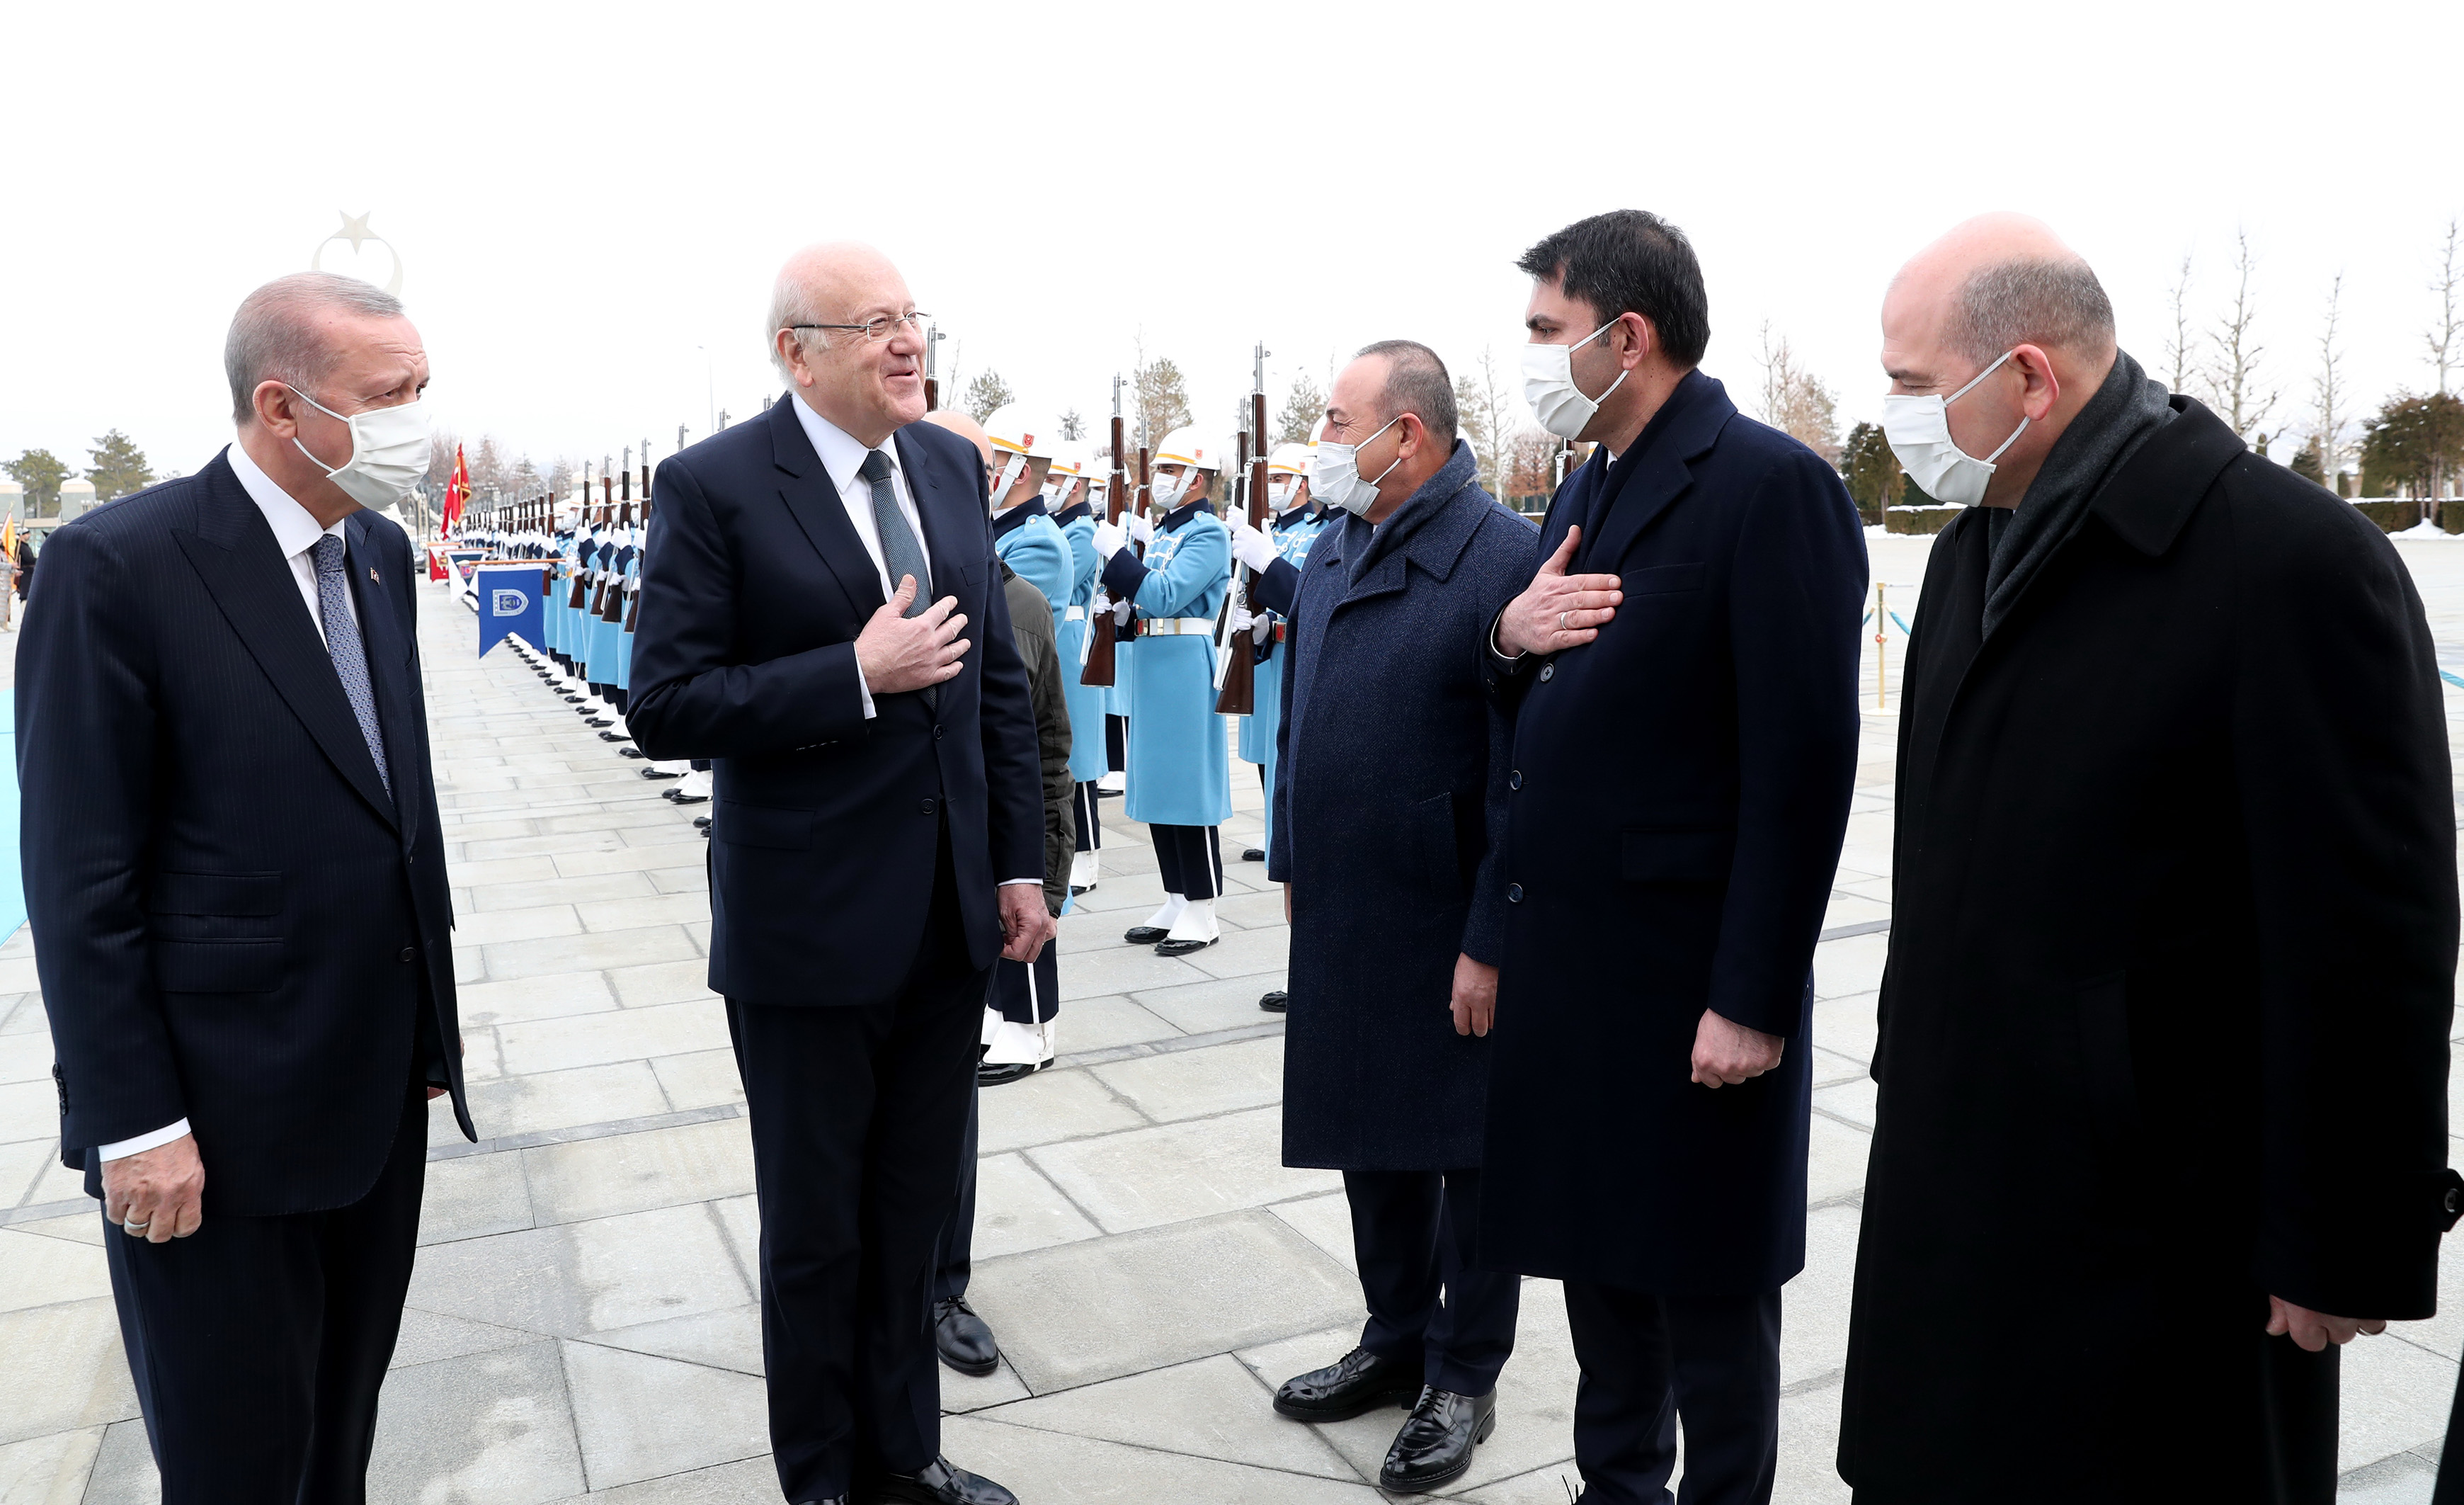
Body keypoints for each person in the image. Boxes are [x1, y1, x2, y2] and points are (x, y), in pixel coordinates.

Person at [1837, 214, 2463, 1505]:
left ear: (2027, 377)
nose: (1889, 412)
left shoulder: (2285, 561)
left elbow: (2373, 927)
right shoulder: (1972, 553)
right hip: (1960, 1178)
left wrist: (2341, 1236)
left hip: (2166, 1223)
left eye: (1909, 382)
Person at [21, 271, 472, 1502]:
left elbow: (396, 810)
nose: (419, 422)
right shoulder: (117, 567)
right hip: (211, 1131)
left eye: (422, 387)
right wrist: (135, 1124)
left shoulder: (373, 551)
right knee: (236, 1466)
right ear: (282, 405)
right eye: (391, 396)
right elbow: (79, 880)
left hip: (373, 1098)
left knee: (339, 1436)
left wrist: (426, 1027)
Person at [627, 242, 1051, 1505]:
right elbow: (664, 700)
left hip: (945, 917)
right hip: (808, 931)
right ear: (794, 351)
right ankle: (820, 1477)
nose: (905, 341)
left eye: (913, 318)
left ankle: (906, 1456)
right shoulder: (712, 488)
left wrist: (1020, 867)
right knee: (819, 1234)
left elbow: (990, 690)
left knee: (913, 1219)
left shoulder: (947, 467)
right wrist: (851, 674)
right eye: (872, 324)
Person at [1476, 210, 1866, 1505]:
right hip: (1578, 976)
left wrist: (1751, 998)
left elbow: (1802, 767)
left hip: (1692, 989)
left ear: (1624, 336)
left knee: (1708, 1310)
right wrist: (1508, 642)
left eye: (1546, 330)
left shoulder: (1769, 487)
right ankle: (1616, 1488)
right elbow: (1536, 720)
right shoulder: (1587, 484)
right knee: (1603, 1297)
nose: (1532, 355)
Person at [1262, 342, 1536, 1492]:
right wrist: (1289, 855)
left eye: (1336, 419)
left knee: (1467, 1158)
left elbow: (1530, 773)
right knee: (1366, 1134)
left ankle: (1463, 1374)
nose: (1322, 441)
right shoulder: (1336, 544)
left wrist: (1495, 937)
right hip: (1345, 901)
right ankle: (1395, 1337)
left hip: (1447, 918)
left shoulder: (1503, 560)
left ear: (1407, 433)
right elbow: (1304, 716)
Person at [918, 402, 1077, 1385]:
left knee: (950, 1107)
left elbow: (1045, 751)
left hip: (967, 900)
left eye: (978, 470)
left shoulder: (1019, 603)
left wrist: (1042, 880)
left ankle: (943, 1287)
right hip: (861, 899)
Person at [1091, 426, 1233, 955]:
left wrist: (1119, 560)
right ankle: (1175, 895)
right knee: (1157, 784)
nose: (1161, 479)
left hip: (1184, 665)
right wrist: (1124, 613)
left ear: (1197, 477)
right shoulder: (1168, 531)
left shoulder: (1207, 533)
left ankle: (1202, 906)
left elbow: (1168, 593)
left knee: (1188, 785)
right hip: (1152, 660)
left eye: (1172, 470)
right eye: (1161, 469)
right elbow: (1147, 602)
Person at [1228, 437, 1330, 1012]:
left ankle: (1310, 964)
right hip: (1283, 678)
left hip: (1314, 679)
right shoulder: (1303, 531)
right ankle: (1302, 961)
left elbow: (1314, 600)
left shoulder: (1329, 530)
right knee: (1285, 833)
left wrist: (1268, 564)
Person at [1046, 443, 1112, 895]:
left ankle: (1085, 855)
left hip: (1073, 642)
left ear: (1074, 485)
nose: (1046, 489)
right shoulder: (1060, 529)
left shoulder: (1083, 533)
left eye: (1053, 481)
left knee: (1080, 754)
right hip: (1059, 638)